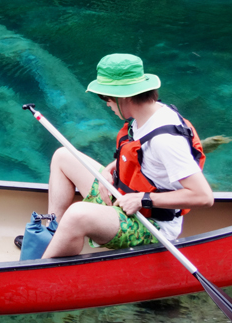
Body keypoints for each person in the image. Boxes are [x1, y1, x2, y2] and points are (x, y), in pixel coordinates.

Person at [39, 53, 213, 258]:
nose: (106, 104)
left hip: (149, 224)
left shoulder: (166, 140)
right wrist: (111, 167)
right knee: (63, 156)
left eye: (106, 98)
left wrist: (143, 199)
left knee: (77, 214)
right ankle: (53, 236)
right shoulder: (145, 115)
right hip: (121, 196)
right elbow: (141, 157)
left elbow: (203, 196)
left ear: (124, 97)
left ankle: (41, 268)